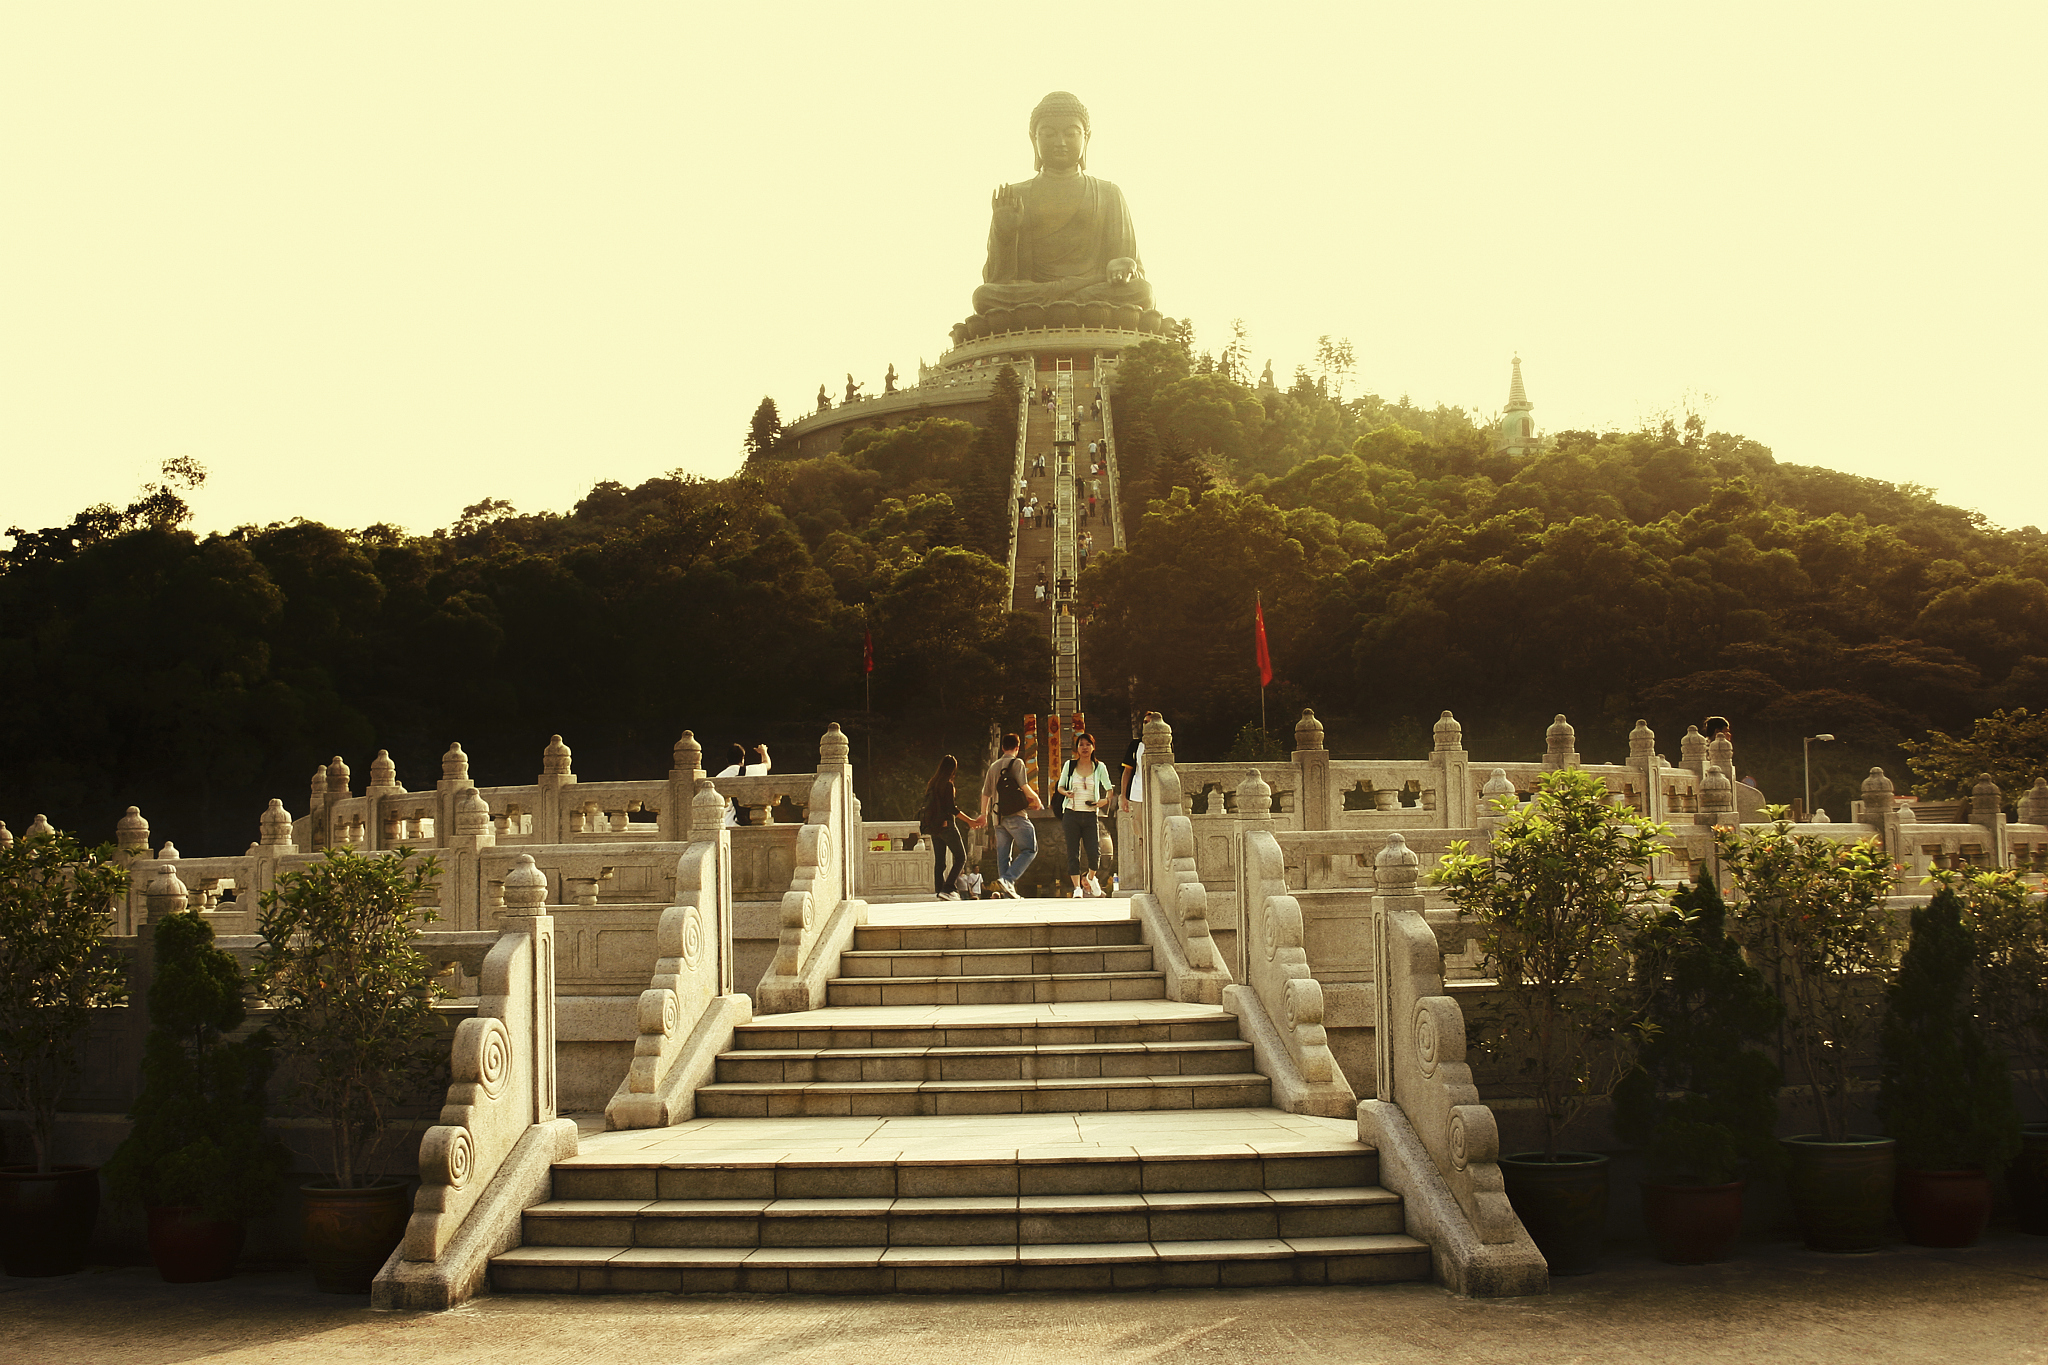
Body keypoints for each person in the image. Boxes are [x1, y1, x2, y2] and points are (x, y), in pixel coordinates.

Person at [972, 91, 1154, 316]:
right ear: (1033, 139)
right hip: (1039, 294)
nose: (1060, 142)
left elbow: (1132, 269)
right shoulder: (1016, 195)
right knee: (984, 297)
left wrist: (1124, 265)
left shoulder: (1108, 193)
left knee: (1142, 292)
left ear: (1086, 138)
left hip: (1089, 292)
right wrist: (1005, 234)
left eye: (1071, 134)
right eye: (1048, 134)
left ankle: (1064, 305)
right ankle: (1067, 305)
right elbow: (998, 280)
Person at [978, 733, 1042, 897]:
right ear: (1017, 747)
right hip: (1015, 814)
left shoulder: (993, 766)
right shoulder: (1017, 762)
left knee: (1003, 856)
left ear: (1002, 747)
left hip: (997, 818)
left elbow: (985, 793)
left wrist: (983, 814)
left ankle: (1005, 892)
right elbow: (1024, 785)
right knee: (1030, 849)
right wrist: (1036, 799)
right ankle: (1008, 880)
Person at [1055, 732, 1114, 897]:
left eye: (1088, 744)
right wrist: (1066, 793)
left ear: (1093, 747)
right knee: (1073, 852)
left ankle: (1091, 877)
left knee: (1094, 852)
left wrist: (1105, 800)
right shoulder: (1070, 765)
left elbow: (1109, 788)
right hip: (1071, 814)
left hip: (1089, 814)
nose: (1084, 748)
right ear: (1077, 748)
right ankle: (1077, 889)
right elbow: (1059, 787)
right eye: (1081, 744)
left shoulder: (1099, 767)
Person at [919, 755, 984, 900]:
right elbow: (951, 808)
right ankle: (948, 888)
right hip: (947, 826)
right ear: (952, 769)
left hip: (935, 828)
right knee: (961, 857)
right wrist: (970, 821)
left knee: (940, 862)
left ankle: (940, 891)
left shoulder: (932, 784)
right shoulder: (947, 785)